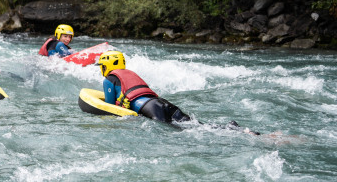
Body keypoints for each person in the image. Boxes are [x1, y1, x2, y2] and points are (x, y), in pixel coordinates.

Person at [96, 51, 259, 134]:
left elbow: (110, 106)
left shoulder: (110, 79)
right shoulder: (130, 74)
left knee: (188, 131)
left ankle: (233, 133)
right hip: (163, 103)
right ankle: (233, 129)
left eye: (102, 66)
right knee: (196, 125)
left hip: (150, 109)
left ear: (107, 65)